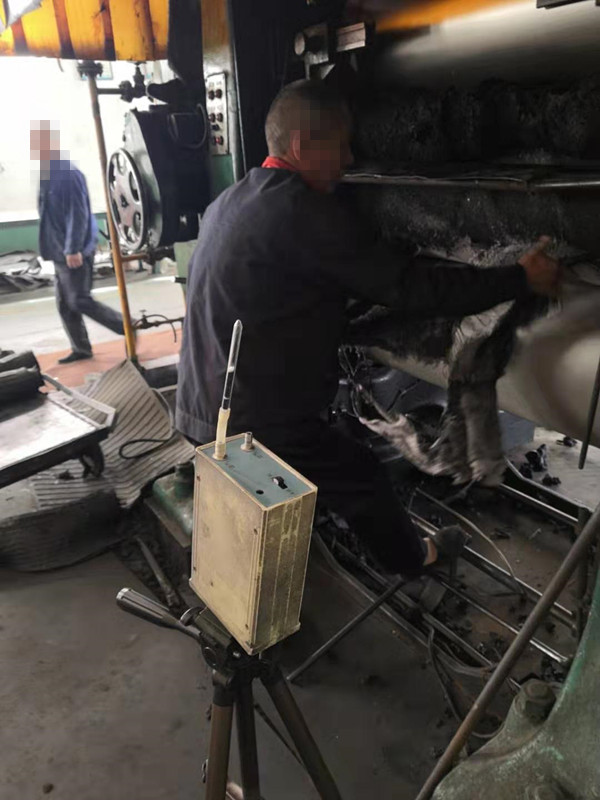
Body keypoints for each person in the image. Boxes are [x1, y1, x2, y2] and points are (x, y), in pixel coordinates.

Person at [176, 80, 560, 576]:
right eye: (340, 145)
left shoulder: (233, 200)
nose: (350, 158)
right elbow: (413, 287)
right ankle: (415, 560)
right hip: (253, 426)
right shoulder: (305, 213)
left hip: (198, 409)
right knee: (361, 474)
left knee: (330, 454)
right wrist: (519, 278)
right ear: (301, 146)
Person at [30, 121, 124, 364]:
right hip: (60, 250)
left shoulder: (68, 174)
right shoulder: (47, 173)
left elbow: (77, 214)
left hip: (74, 249)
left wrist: (73, 249)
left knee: (79, 299)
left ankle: (127, 327)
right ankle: (81, 348)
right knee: (65, 304)